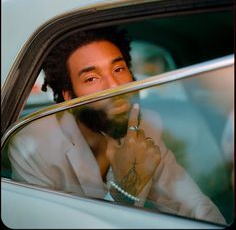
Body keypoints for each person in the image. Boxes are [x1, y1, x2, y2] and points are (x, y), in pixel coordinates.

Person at [8, 27, 225, 224]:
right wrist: (124, 193)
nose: (114, 87)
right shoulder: (32, 147)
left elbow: (193, 205)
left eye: (119, 69)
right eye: (92, 78)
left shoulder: (147, 125)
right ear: (68, 97)